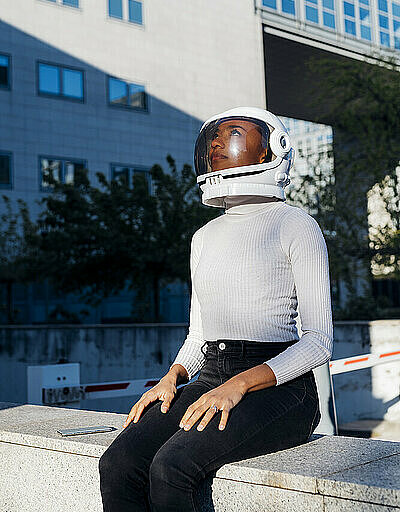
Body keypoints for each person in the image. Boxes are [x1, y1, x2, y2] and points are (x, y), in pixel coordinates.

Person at [99, 106, 334, 512]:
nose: (218, 144)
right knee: (118, 462)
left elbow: (318, 343)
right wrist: (172, 375)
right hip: (211, 374)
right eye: (214, 137)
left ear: (269, 151)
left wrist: (240, 384)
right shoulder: (203, 236)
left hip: (280, 388)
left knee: (172, 467)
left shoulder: (295, 224)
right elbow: (198, 335)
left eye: (234, 133)